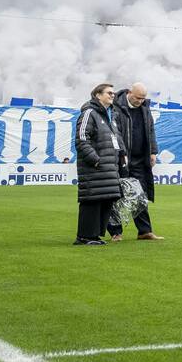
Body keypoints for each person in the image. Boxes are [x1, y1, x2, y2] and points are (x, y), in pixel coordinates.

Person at [106, 82, 164, 242]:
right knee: (115, 195)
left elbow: (150, 130)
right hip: (119, 159)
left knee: (140, 196)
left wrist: (153, 151)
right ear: (130, 93)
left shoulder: (145, 107)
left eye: (143, 98)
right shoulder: (115, 106)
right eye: (138, 97)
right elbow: (113, 132)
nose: (140, 101)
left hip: (139, 160)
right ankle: (115, 232)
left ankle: (144, 231)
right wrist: (120, 153)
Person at [73, 83, 122, 246]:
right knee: (92, 200)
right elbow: (82, 138)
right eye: (109, 93)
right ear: (97, 95)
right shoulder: (89, 113)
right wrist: (95, 159)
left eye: (113, 93)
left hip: (110, 167)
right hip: (95, 166)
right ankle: (84, 236)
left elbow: (116, 139)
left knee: (105, 199)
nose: (112, 95)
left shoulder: (111, 115)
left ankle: (94, 235)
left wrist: (122, 156)